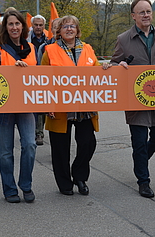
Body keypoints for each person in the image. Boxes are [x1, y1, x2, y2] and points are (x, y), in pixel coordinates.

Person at [110, 0, 155, 198]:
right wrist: (120, 66)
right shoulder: (124, 39)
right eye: (141, 12)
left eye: (148, 11)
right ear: (133, 16)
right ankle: (143, 181)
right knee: (139, 142)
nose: (145, 15)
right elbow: (113, 65)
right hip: (135, 100)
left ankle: (139, 160)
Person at [41, 15, 111, 196]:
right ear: (59, 31)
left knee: (88, 143)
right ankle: (64, 183)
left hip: (84, 107)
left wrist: (103, 68)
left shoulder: (88, 49)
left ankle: (79, 176)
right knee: (60, 148)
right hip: (59, 107)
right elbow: (42, 79)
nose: (69, 29)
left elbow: (96, 72)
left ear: (77, 30)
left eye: (72, 26)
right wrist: (47, 103)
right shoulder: (50, 50)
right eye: (65, 26)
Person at [0, 10, 37, 203]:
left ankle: (26, 185)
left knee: (30, 145)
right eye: (10, 24)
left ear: (23, 26)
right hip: (5, 106)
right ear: (5, 27)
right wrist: (12, 70)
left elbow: (40, 76)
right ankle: (9, 189)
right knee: (6, 150)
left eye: (17, 24)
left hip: (26, 104)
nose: (14, 27)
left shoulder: (32, 47)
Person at [27, 14, 48, 145]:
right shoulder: (26, 39)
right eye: (36, 25)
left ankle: (39, 131)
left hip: (44, 76)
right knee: (32, 105)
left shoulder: (49, 40)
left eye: (41, 25)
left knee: (42, 106)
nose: (38, 27)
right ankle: (34, 131)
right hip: (30, 75)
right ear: (32, 26)